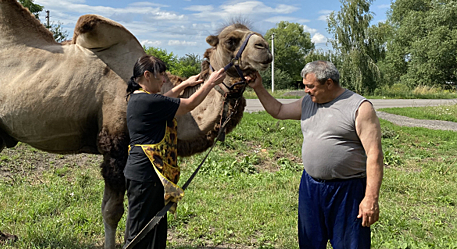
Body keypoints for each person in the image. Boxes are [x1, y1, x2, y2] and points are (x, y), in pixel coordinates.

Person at [246, 60, 383, 249]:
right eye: (304, 86)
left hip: (347, 191)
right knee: (309, 243)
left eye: (310, 86)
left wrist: (370, 199)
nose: (306, 90)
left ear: (328, 83)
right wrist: (258, 87)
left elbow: (374, 155)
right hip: (311, 187)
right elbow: (278, 110)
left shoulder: (359, 107)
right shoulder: (308, 103)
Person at [123, 55, 226, 249]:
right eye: (160, 76)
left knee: (154, 228)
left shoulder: (140, 98)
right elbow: (188, 105)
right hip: (146, 175)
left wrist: (185, 84)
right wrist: (210, 83)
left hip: (147, 175)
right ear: (147, 75)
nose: (164, 80)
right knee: (139, 233)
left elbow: (165, 98)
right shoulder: (147, 101)